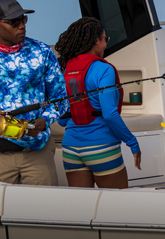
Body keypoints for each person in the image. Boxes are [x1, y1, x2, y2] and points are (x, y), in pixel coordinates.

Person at [0, 0, 67, 185]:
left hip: (38, 151)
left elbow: (61, 98)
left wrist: (43, 122)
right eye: (14, 22)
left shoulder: (42, 52)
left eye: (23, 20)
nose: (21, 26)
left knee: (42, 211)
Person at [55, 17, 141, 189]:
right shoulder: (104, 69)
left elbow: (62, 119)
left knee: (82, 209)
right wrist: (133, 143)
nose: (105, 45)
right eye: (105, 39)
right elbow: (109, 114)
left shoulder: (65, 69)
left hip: (71, 149)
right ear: (96, 40)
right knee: (115, 208)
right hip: (101, 148)